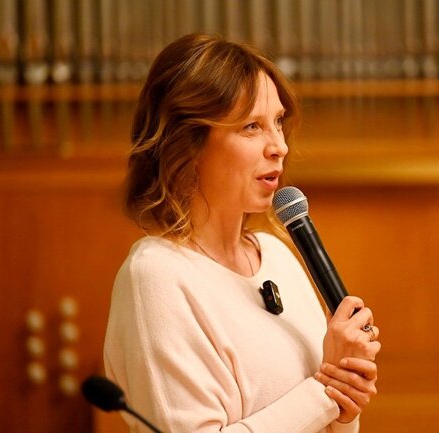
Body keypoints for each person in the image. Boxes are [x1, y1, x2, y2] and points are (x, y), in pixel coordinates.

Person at [103, 33, 381, 433]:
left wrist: (345, 403)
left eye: (278, 122)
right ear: (188, 143)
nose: (279, 146)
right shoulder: (156, 277)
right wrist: (327, 390)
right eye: (252, 126)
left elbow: (327, 418)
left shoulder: (277, 255)